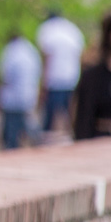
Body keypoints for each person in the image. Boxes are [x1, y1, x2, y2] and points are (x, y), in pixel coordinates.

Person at [36, 9, 84, 139]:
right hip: (72, 78)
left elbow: (47, 58)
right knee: (70, 114)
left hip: (54, 80)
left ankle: (44, 141)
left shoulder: (47, 30)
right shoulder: (72, 29)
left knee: (49, 116)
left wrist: (43, 83)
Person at [0, 26, 41, 150]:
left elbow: (5, 75)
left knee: (11, 136)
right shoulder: (31, 50)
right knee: (28, 126)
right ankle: (40, 147)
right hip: (29, 96)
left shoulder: (10, 51)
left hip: (12, 100)